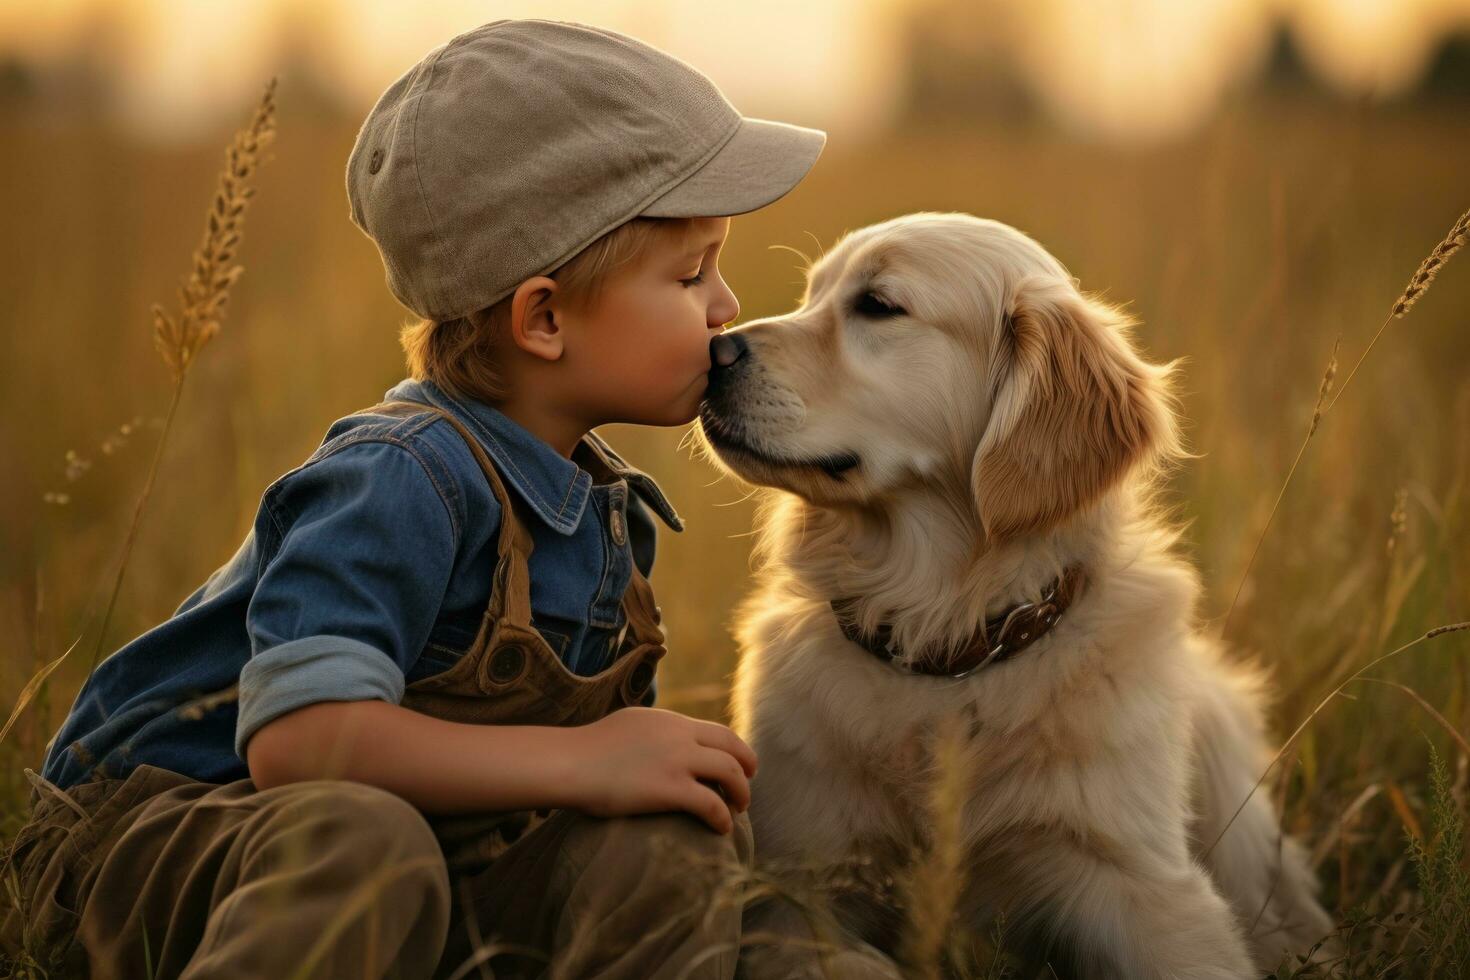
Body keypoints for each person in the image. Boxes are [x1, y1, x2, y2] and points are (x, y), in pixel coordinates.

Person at [0, 19, 828, 979]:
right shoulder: (401, 475)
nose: (728, 307)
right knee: (361, 845)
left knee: (660, 839)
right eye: (691, 274)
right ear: (545, 317)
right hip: (171, 843)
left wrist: (632, 780)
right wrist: (585, 760)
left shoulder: (604, 516)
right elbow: (299, 743)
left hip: (425, 856)